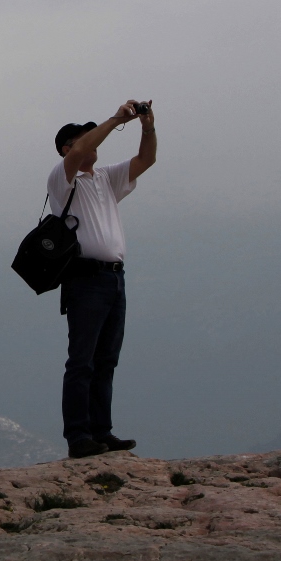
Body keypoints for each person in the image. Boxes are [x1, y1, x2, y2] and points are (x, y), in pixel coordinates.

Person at [51, 100, 157, 459]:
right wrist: (115, 120)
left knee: (106, 360)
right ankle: (78, 435)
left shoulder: (105, 178)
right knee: (82, 361)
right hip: (85, 279)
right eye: (84, 139)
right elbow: (82, 149)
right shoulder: (63, 178)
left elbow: (146, 160)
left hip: (114, 279)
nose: (92, 145)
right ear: (68, 148)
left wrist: (146, 126)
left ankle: (101, 431)